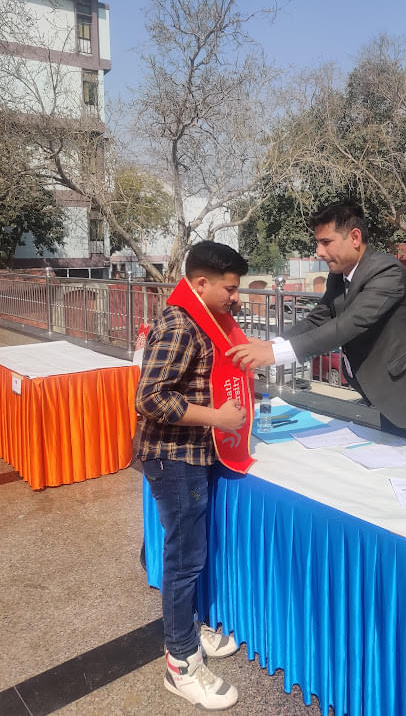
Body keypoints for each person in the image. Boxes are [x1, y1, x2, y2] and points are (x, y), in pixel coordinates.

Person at [228, 202, 406, 449]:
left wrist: (272, 355)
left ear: (355, 237)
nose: (319, 251)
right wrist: (271, 344)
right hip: (392, 400)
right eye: (317, 242)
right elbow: (319, 317)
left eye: (326, 242)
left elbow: (349, 324)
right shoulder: (339, 275)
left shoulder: (387, 272)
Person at [135, 241, 249, 711]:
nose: (236, 299)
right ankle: (180, 662)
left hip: (188, 456)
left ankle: (190, 628)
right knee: (184, 562)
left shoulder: (200, 318)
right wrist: (216, 419)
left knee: (192, 557)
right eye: (229, 289)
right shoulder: (182, 324)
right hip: (174, 459)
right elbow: (150, 397)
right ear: (201, 284)